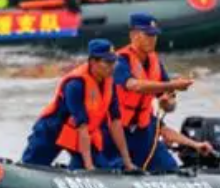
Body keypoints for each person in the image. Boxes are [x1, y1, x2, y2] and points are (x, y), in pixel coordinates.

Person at [103, 13, 216, 172]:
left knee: (171, 170)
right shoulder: (119, 61)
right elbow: (135, 86)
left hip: (143, 133)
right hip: (115, 133)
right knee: (118, 169)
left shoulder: (155, 62)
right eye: (147, 35)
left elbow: (169, 104)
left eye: (154, 35)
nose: (152, 39)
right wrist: (173, 85)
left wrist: (167, 102)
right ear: (134, 35)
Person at [21, 38, 135, 171]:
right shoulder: (76, 84)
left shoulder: (110, 84)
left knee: (103, 169)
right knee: (31, 167)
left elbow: (115, 123)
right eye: (108, 62)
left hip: (80, 136)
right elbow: (82, 126)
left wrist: (128, 162)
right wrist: (89, 166)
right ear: (93, 62)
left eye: (114, 62)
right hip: (53, 130)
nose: (112, 67)